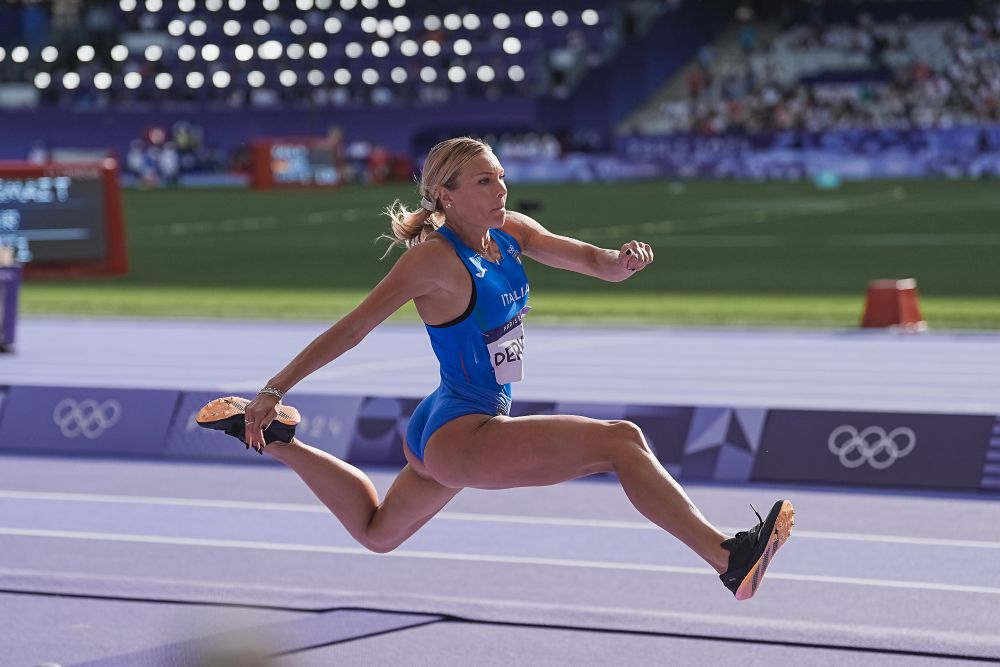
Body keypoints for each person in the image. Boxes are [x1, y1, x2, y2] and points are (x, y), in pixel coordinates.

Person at [197, 137, 794, 601]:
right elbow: (353, 328)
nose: (501, 187)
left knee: (377, 532)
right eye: (486, 180)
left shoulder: (505, 233)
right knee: (621, 442)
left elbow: (589, 259)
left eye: (502, 175)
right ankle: (726, 557)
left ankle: (281, 444)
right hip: (461, 433)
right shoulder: (432, 261)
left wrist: (622, 263)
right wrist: (274, 387)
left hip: (445, 420)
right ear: (447, 195)